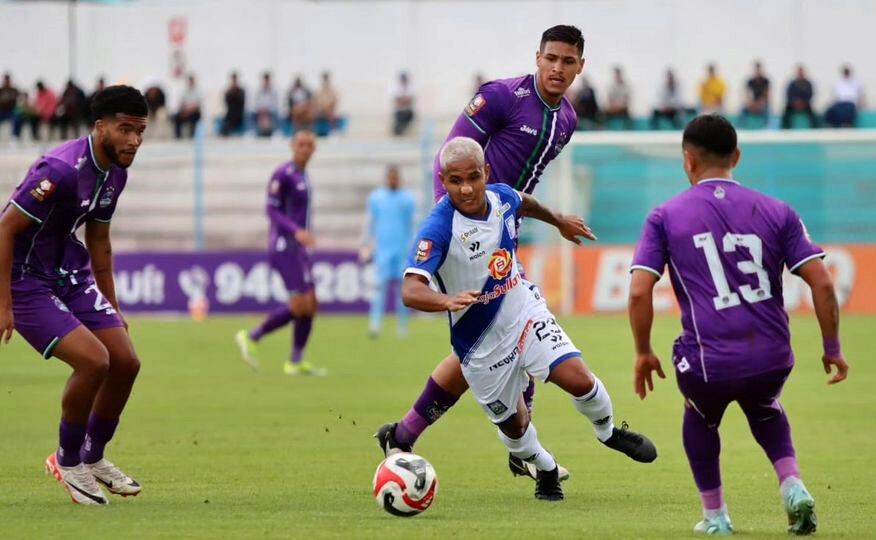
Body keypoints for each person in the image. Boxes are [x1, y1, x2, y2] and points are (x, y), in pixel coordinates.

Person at [376, 25, 590, 483]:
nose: (557, 68)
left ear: (579, 66)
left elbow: (521, 187)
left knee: (488, 342)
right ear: (537, 57)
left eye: (567, 61)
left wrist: (549, 220)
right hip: (467, 233)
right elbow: (447, 162)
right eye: (550, 58)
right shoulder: (501, 97)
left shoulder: (567, 120)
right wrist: (455, 228)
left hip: (505, 232)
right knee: (502, 336)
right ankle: (518, 448)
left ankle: (406, 434)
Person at [628, 114, 849, 535]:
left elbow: (639, 291)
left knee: (699, 416)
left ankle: (716, 517)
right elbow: (821, 281)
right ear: (737, 156)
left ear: (688, 161)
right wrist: (832, 347)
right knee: (765, 408)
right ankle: (793, 486)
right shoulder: (778, 210)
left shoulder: (665, 215)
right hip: (772, 355)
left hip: (711, 360)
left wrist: (643, 351)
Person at [404, 137, 656, 501]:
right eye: (456, 180)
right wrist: (447, 300)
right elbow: (410, 290)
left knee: (578, 379)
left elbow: (524, 202)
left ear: (486, 173)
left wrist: (559, 220)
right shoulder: (439, 227)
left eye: (474, 177)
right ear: (442, 180)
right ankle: (545, 466)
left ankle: (609, 432)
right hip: (480, 344)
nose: (466, 188)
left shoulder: (501, 196)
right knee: (515, 427)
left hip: (522, 309)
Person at [0, 85, 149, 504]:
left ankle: (94, 456)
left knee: (125, 361)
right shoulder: (60, 169)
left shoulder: (115, 174)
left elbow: (99, 240)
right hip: (24, 279)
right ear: (100, 126)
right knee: (93, 361)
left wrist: (113, 309)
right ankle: (66, 461)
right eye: (125, 130)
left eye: (140, 132)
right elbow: (6, 228)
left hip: (68, 272)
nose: (134, 141)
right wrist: (3, 304)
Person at [235, 131, 325, 376]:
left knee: (311, 304)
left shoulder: (304, 176)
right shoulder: (283, 174)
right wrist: (296, 232)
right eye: (301, 144)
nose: (305, 148)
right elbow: (271, 210)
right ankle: (251, 336)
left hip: (300, 249)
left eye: (310, 145)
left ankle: (296, 360)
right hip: (284, 247)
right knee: (299, 305)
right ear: (292, 146)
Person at [360, 165, 416, 338]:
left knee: (403, 291)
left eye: (395, 177)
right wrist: (365, 244)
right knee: (379, 288)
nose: (393, 180)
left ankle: (402, 327)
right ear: (386, 178)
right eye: (390, 177)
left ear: (399, 178)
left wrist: (414, 248)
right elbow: (370, 222)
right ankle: (375, 326)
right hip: (383, 250)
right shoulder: (377, 198)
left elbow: (413, 224)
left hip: (402, 250)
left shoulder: (407, 199)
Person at [740, 61, 770, 126]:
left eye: (758, 70)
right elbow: (747, 94)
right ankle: (743, 126)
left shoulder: (766, 81)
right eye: (756, 70)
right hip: (752, 103)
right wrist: (751, 103)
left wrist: (758, 104)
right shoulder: (750, 81)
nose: (757, 71)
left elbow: (766, 95)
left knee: (767, 109)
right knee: (743, 110)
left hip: (762, 103)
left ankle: (766, 126)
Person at [174, 74, 202, 139]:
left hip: (194, 113)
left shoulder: (198, 92)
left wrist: (188, 111)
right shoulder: (184, 91)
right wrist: (184, 111)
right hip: (185, 112)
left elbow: (197, 106)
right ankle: (178, 137)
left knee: (194, 118)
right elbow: (181, 103)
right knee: (177, 118)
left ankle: (192, 137)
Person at [221, 72, 246, 136]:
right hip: (230, 115)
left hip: (239, 115)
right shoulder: (228, 91)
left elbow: (241, 103)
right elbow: (226, 103)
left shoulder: (241, 91)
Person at [391, 72, 415, 136]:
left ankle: (401, 129)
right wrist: (403, 100)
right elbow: (397, 100)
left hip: (407, 111)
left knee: (407, 115)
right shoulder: (396, 88)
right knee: (399, 116)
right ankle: (398, 130)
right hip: (400, 110)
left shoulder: (410, 88)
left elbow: (409, 100)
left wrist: (403, 100)